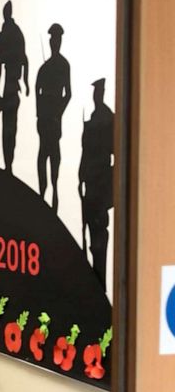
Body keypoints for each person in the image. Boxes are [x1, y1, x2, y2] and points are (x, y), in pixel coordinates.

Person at [79, 78, 113, 287]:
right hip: (91, 181)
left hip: (99, 182)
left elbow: (113, 151)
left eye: (98, 91)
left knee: (100, 234)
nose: (96, 95)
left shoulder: (107, 118)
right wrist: (81, 176)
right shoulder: (94, 117)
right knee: (93, 232)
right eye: (95, 91)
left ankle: (101, 280)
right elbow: (85, 152)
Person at [35, 23, 71, 213]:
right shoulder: (45, 68)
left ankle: (54, 194)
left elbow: (68, 94)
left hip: (54, 118)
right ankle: (42, 195)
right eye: (52, 39)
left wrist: (58, 113)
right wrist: (40, 114)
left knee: (53, 156)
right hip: (45, 118)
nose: (54, 42)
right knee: (43, 156)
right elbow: (37, 92)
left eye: (56, 39)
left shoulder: (63, 66)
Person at [0, 0, 29, 174]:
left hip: (12, 88)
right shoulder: (10, 34)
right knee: (8, 129)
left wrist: (26, 82)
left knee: (9, 129)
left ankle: (9, 164)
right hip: (9, 89)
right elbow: (0, 66)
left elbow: (23, 59)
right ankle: (8, 163)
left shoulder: (12, 34)